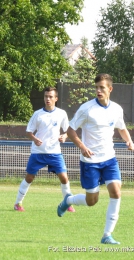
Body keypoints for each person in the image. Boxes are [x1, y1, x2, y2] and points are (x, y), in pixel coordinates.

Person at [57, 73, 134, 244]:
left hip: (109, 159)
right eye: (97, 88)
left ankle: (107, 235)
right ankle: (68, 200)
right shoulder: (87, 109)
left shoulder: (116, 109)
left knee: (116, 192)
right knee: (92, 201)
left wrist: (129, 141)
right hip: (90, 161)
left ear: (110, 89)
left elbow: (121, 128)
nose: (98, 91)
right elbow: (70, 130)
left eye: (102, 88)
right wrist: (82, 147)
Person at [14, 87, 75, 213]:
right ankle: (18, 203)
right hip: (38, 152)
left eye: (51, 96)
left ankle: (68, 203)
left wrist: (64, 136)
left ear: (56, 99)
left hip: (55, 152)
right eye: (46, 96)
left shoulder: (61, 113)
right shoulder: (37, 114)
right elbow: (28, 131)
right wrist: (35, 139)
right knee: (29, 177)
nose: (48, 99)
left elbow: (68, 130)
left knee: (64, 177)